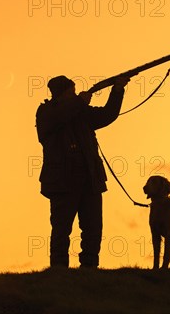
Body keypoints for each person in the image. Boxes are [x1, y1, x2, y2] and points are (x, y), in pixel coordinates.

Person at [36, 75, 130, 268]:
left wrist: (117, 90)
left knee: (93, 228)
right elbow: (61, 115)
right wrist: (80, 101)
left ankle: (89, 268)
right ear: (60, 94)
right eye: (71, 92)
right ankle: (59, 269)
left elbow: (106, 115)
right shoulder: (46, 112)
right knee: (62, 228)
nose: (75, 94)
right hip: (62, 181)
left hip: (90, 178)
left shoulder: (79, 112)